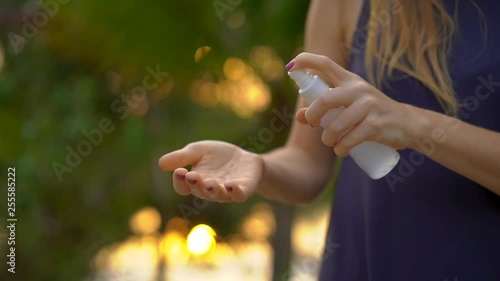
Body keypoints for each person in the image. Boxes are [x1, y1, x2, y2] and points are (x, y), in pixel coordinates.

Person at [159, 0, 500, 280]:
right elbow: (307, 161)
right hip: (362, 262)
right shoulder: (342, 4)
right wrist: (259, 166)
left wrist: (415, 125)